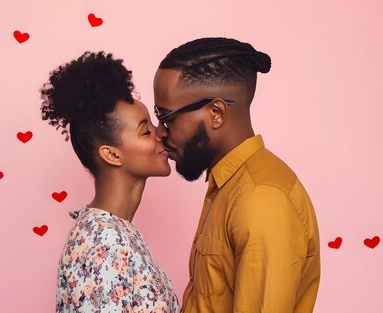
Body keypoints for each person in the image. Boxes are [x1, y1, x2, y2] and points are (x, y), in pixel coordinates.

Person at [153, 37, 320, 312]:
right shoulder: (228, 185)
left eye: (167, 118)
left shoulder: (262, 198)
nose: (160, 132)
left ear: (216, 113)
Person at [41, 51, 180, 312]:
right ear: (112, 154)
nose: (161, 134)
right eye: (146, 130)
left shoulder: (117, 231)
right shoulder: (103, 241)